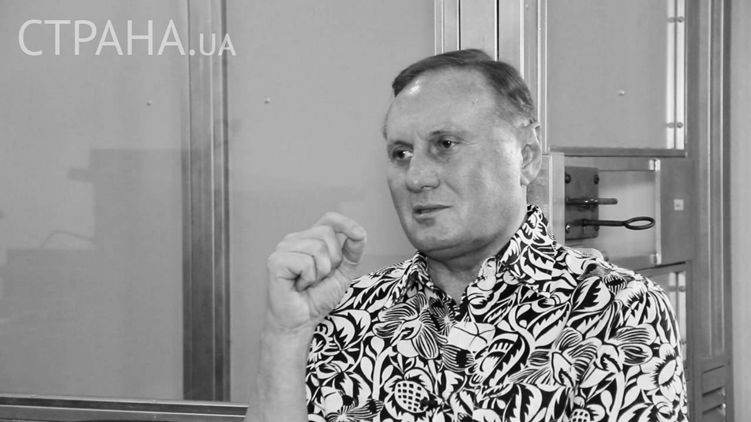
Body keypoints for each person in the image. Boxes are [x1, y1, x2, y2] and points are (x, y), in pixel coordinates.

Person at [249, 49, 688, 422]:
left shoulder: (613, 308)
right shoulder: (351, 310)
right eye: (401, 153)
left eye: (445, 144)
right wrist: (286, 334)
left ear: (526, 158)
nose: (416, 177)